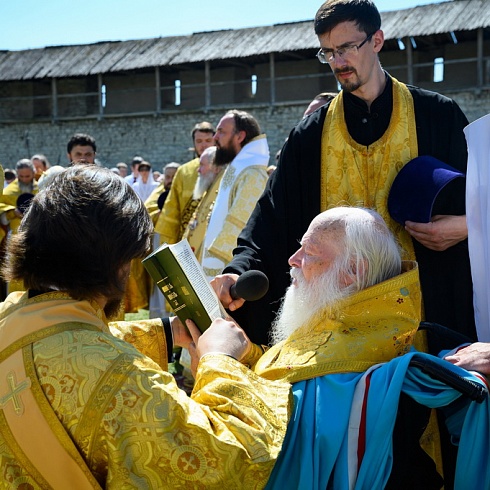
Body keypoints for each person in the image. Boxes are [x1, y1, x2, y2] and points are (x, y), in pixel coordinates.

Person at [0, 164, 291, 488]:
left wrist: (168, 332)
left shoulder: (10, 314)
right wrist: (222, 362)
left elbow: (64, 341)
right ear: (115, 263)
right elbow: (223, 462)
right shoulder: (124, 380)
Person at [216, 0, 475, 348]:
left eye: (346, 48)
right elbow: (272, 217)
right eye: (328, 53)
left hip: (427, 310)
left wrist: (463, 227)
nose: (338, 62)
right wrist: (239, 266)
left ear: (377, 40)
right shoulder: (309, 136)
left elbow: (479, 199)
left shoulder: (438, 117)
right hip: (337, 328)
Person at [210, 207, 488, 489]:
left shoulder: (343, 369)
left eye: (310, 252)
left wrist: (219, 358)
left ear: (352, 272)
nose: (293, 260)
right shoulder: (362, 325)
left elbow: (253, 441)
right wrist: (247, 354)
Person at [202, 110, 269, 281]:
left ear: (240, 137)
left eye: (221, 131)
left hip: (228, 268)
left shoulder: (252, 174)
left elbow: (242, 225)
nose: (215, 137)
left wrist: (216, 260)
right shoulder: (236, 167)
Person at [154, 121, 215, 245]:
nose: (204, 146)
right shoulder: (184, 171)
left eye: (208, 141)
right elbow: (172, 211)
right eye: (199, 141)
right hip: (187, 242)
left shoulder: (227, 168)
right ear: (194, 143)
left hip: (214, 239)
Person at [183, 146, 223, 262]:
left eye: (202, 165)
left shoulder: (220, 192)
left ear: (215, 167)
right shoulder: (209, 189)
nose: (198, 170)